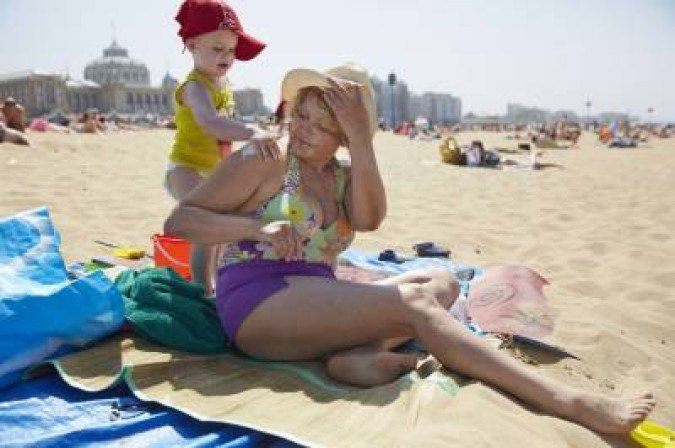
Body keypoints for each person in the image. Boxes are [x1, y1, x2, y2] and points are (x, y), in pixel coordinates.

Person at [165, 63, 655, 436]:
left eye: (321, 123)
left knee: (440, 282)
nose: (302, 129)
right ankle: (570, 402)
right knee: (417, 303)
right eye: (302, 115)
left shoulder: (340, 176)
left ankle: (353, 356)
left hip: (311, 298)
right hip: (258, 303)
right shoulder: (266, 159)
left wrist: (362, 141)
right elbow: (179, 220)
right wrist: (254, 229)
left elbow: (372, 218)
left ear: (346, 134)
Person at [167, 0, 281, 293]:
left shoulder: (223, 83)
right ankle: (204, 290)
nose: (226, 56)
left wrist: (260, 132)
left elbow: (227, 123)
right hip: (186, 167)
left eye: (231, 50)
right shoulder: (194, 86)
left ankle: (214, 283)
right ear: (192, 45)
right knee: (207, 230)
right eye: (217, 49)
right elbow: (209, 122)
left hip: (213, 170)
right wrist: (251, 132)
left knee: (219, 230)